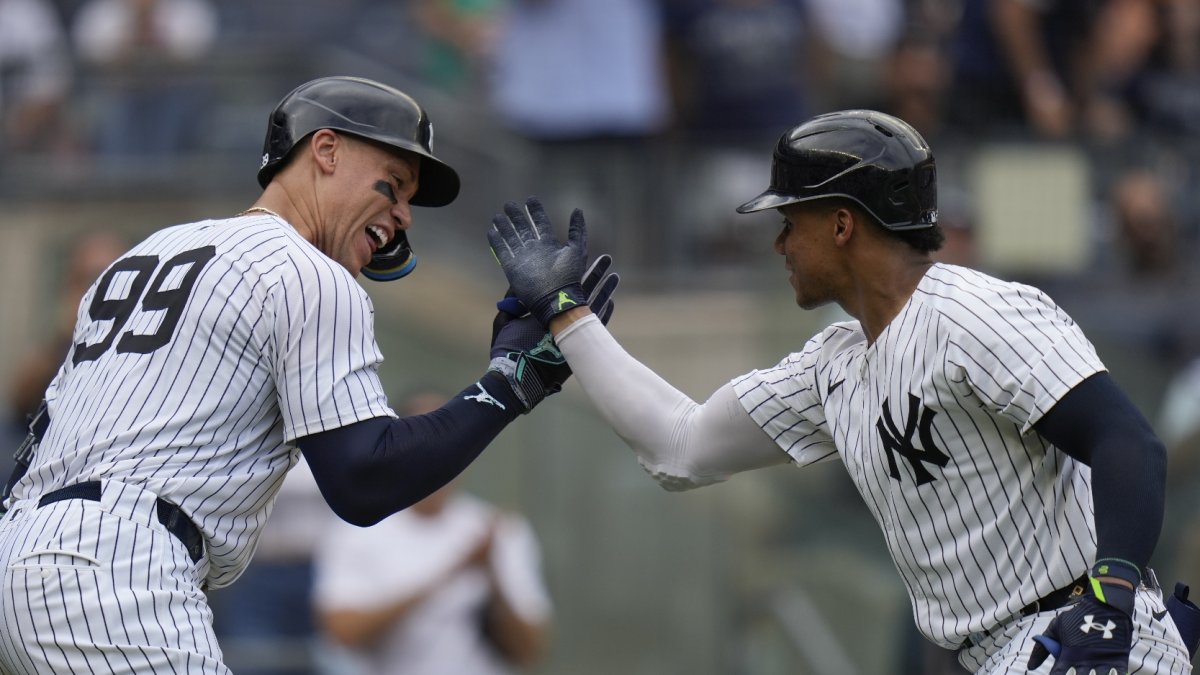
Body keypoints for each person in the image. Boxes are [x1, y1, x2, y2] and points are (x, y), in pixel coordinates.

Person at [486, 110, 1195, 673]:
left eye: (789, 222)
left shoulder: (977, 313)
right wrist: (568, 317)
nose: (780, 244)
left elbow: (1127, 441)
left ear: (843, 223)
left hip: (1085, 632)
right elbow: (680, 447)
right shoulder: (834, 365)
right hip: (1007, 651)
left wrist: (1114, 595)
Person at [0, 75, 616, 674]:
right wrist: (513, 382)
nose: (404, 215)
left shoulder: (146, 254)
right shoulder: (307, 272)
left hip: (23, 551)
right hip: (114, 570)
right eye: (395, 184)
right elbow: (364, 478)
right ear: (325, 149)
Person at [313, 390, 552, 675]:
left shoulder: (498, 531)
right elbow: (342, 632)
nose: (434, 450)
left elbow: (530, 650)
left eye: (447, 435)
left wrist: (493, 575)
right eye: (420, 434)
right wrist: (449, 573)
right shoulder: (356, 529)